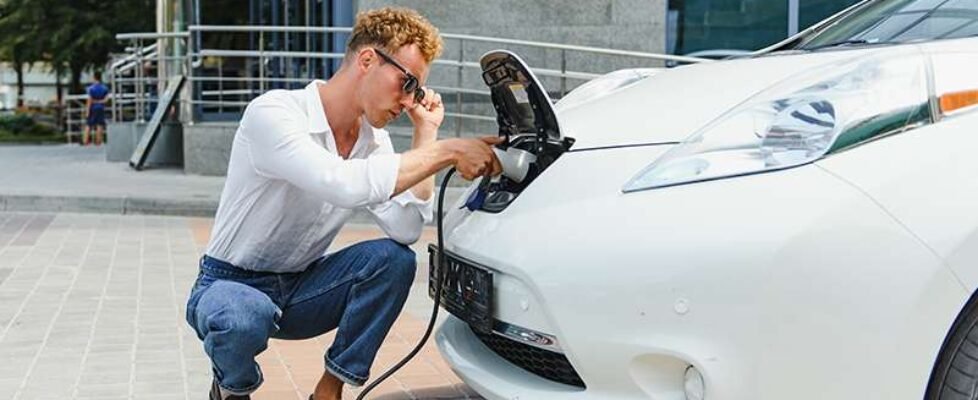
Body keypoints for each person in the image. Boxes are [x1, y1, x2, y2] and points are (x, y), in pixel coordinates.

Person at [185, 7, 502, 400]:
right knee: (241, 315)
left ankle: (329, 388)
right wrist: (447, 151)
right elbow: (339, 184)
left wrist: (428, 135)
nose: (408, 101)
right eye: (406, 82)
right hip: (229, 285)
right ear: (368, 59)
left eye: (416, 91)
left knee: (394, 260)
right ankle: (232, 389)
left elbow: (404, 230)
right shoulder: (275, 112)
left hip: (302, 288)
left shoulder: (373, 140)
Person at [82, 72, 109, 146]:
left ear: (94, 77)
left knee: (88, 124)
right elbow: (106, 100)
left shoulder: (91, 88)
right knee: (100, 125)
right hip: (100, 107)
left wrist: (87, 111)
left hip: (92, 108)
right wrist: (100, 101)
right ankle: (98, 141)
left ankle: (85, 141)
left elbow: (89, 100)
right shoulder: (105, 88)